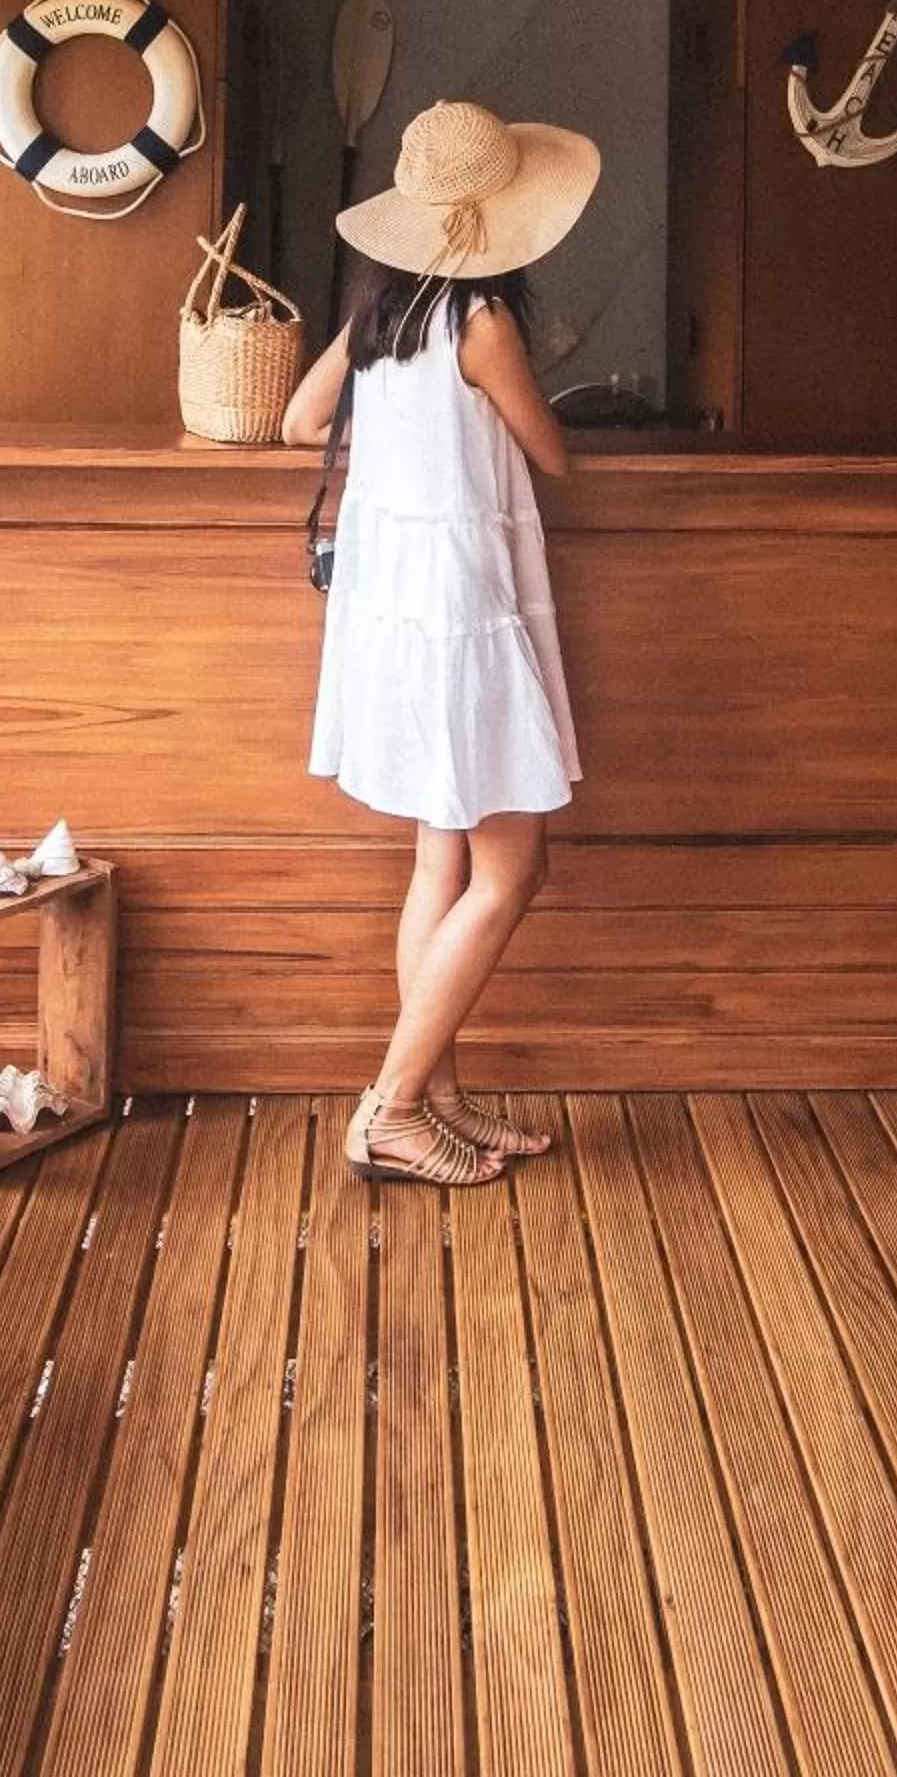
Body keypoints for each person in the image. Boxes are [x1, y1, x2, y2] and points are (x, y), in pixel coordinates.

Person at [281, 97, 598, 1189]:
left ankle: (441, 1098)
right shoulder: (481, 325)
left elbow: (296, 421)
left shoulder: (378, 318)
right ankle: (392, 1110)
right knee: (513, 869)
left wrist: (407, 437)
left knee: (441, 858)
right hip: (462, 613)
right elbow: (550, 455)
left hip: (396, 615)